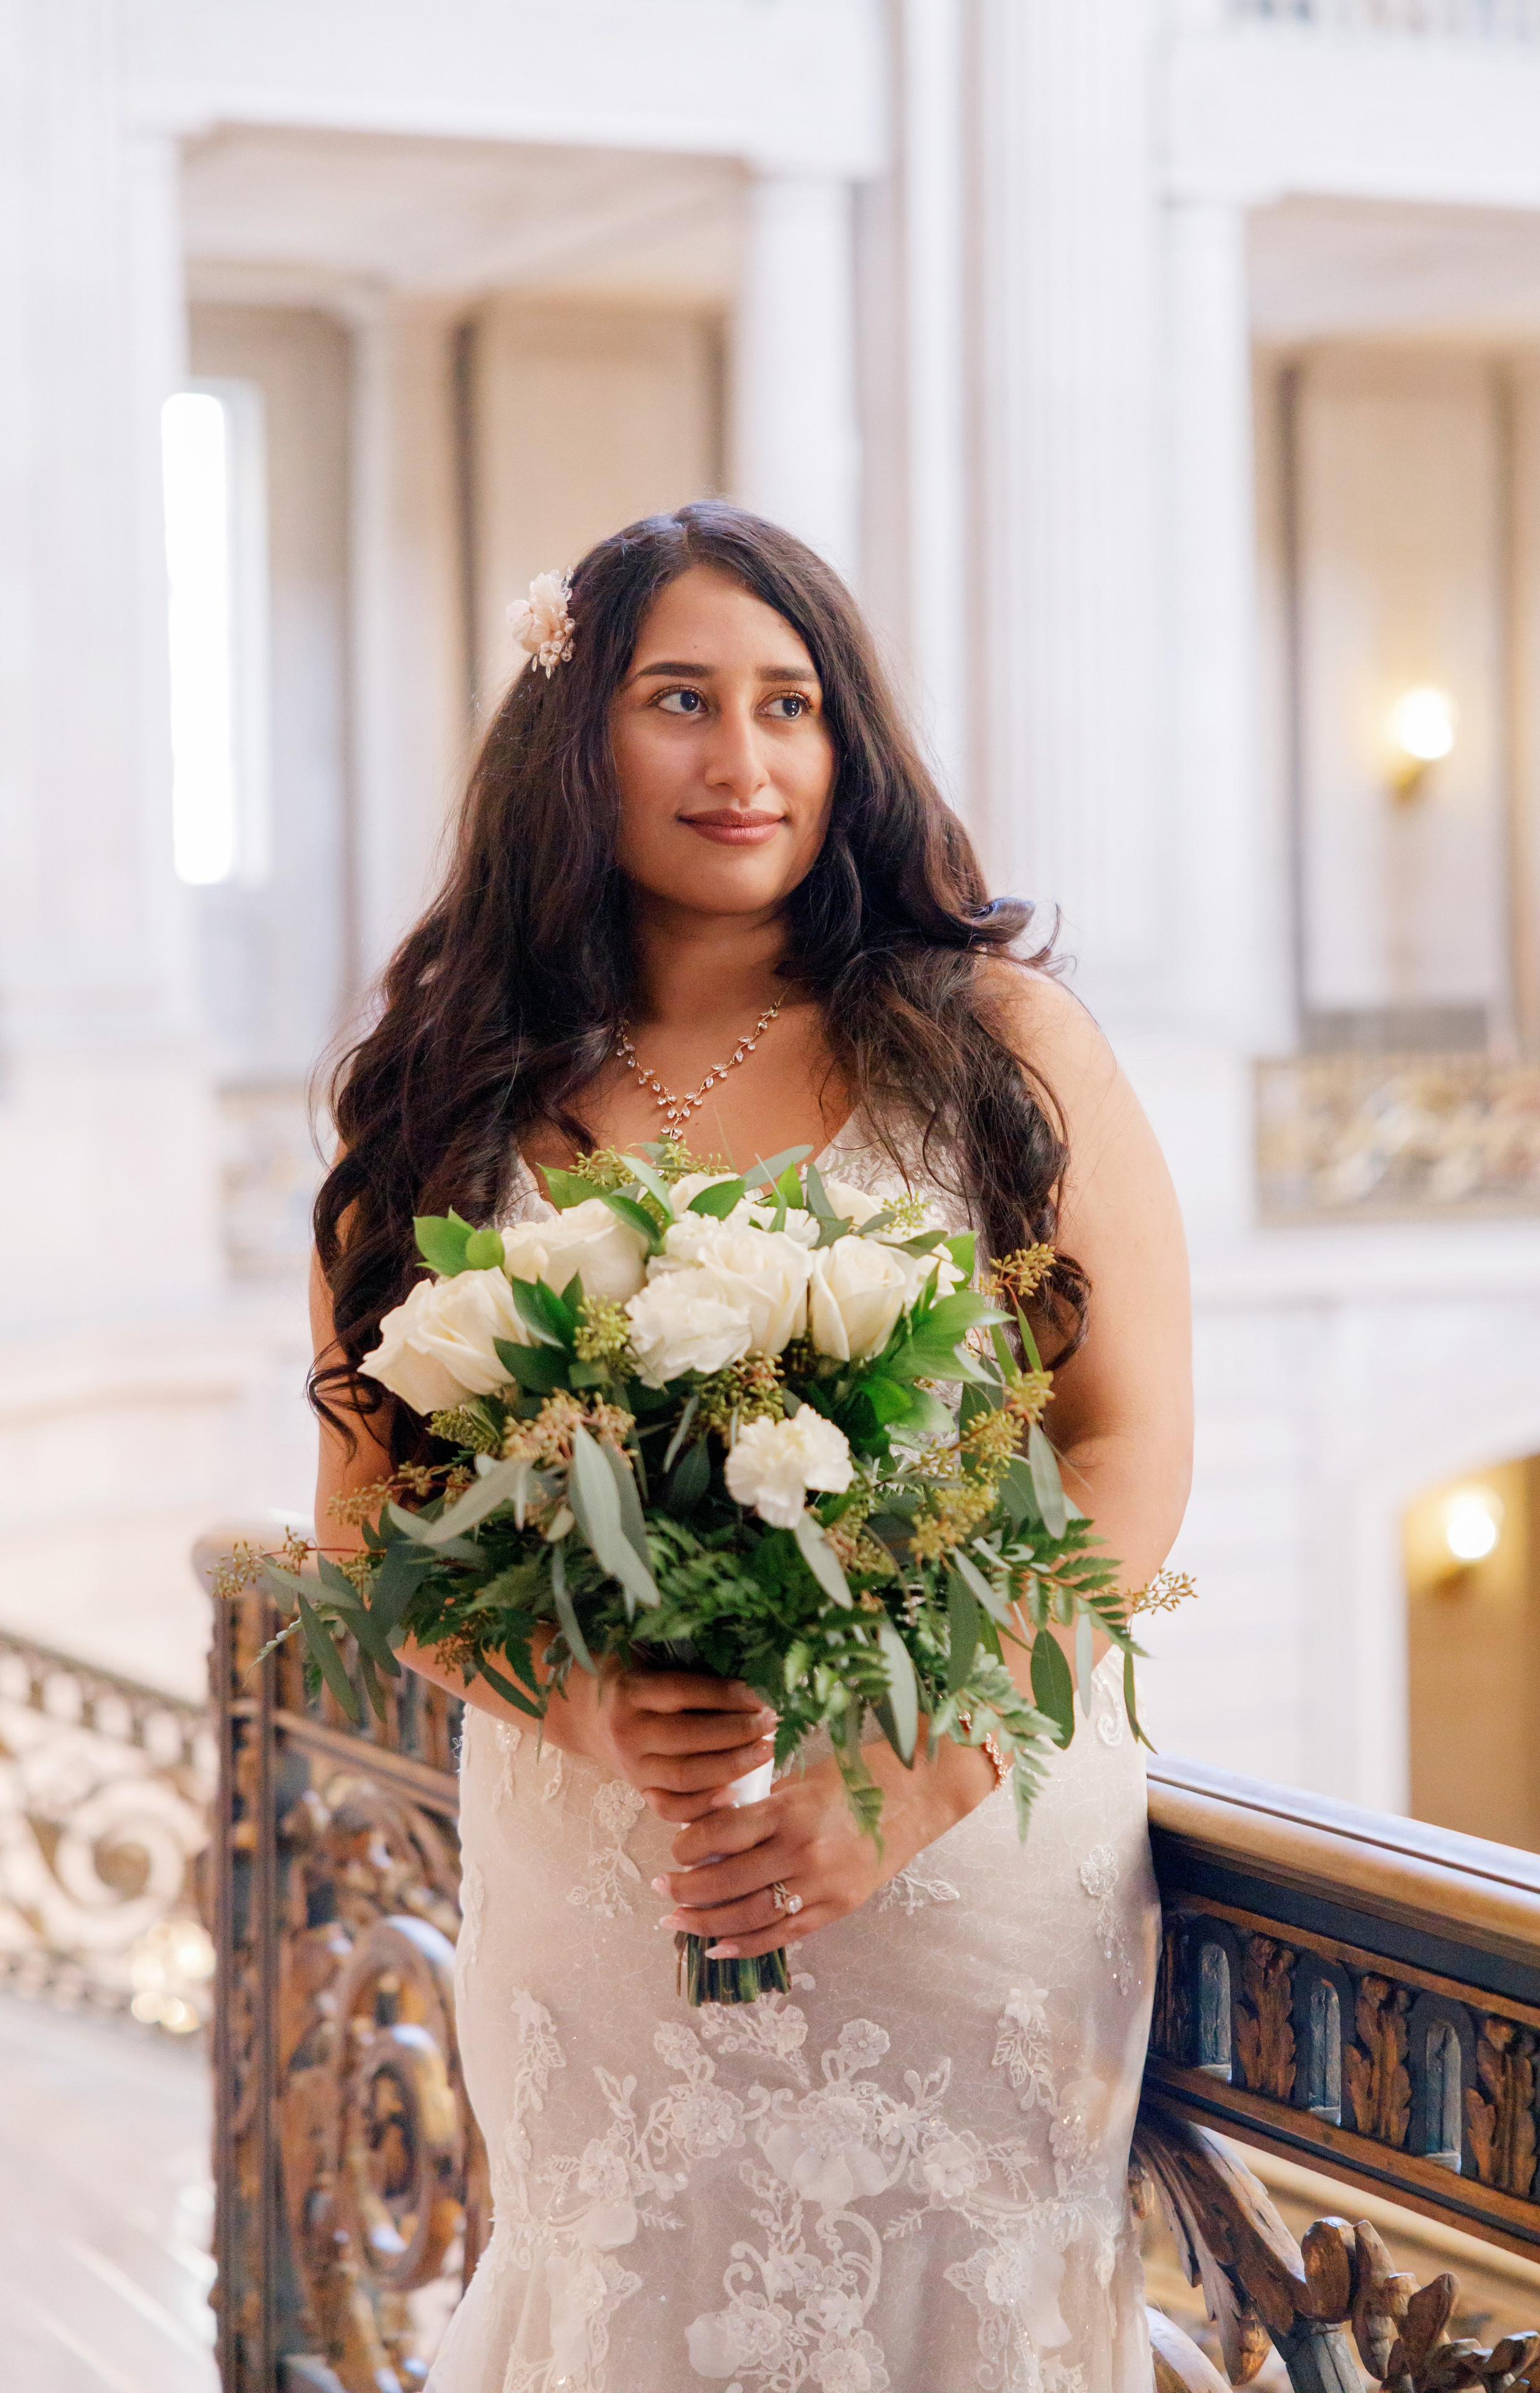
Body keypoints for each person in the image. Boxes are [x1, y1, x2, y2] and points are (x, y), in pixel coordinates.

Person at [311, 502, 1192, 2393]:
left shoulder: (998, 1046)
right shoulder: (445, 1095)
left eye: (791, 705)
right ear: (576, 739)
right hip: (607, 1883)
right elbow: (370, 1523)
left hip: (963, 1875)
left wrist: (915, 1779)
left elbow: (1123, 1454)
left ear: (848, 740)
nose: (745, 760)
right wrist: (586, 1712)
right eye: (682, 700)